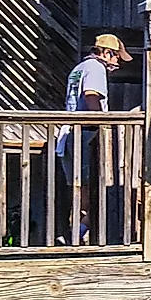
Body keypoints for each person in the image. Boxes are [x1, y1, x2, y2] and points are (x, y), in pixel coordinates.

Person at [55, 34, 132, 245]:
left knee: (78, 188)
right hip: (84, 134)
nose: (117, 63)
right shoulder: (96, 68)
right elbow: (91, 96)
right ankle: (76, 237)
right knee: (89, 192)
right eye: (116, 57)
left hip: (69, 134)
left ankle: (73, 235)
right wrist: (101, 123)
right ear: (106, 53)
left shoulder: (79, 68)